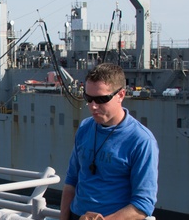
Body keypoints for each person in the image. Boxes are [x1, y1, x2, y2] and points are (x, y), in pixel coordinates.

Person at [60, 63, 158, 220]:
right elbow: (71, 179)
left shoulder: (141, 140)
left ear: (121, 95)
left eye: (101, 99)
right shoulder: (85, 127)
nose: (93, 106)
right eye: (88, 98)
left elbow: (143, 204)